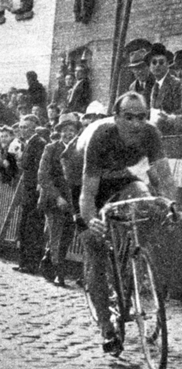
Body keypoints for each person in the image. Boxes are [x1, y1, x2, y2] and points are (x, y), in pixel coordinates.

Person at [79, 91, 176, 353]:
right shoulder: (101, 136)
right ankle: (106, 329)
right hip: (88, 182)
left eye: (141, 117)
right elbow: (87, 193)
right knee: (95, 244)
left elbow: (164, 178)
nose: (135, 123)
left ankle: (136, 264)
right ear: (116, 116)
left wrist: (172, 205)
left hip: (125, 180)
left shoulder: (150, 134)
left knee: (148, 200)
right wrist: (90, 219)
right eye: (128, 117)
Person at [37, 113, 79, 286]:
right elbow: (43, 176)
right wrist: (57, 197)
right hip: (54, 200)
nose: (68, 134)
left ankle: (49, 259)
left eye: (71, 130)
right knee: (56, 236)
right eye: (64, 130)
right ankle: (58, 273)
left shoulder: (80, 150)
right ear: (59, 132)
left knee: (67, 237)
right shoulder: (51, 148)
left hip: (73, 200)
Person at [14, 114, 46, 274]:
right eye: (21, 127)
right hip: (28, 190)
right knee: (25, 228)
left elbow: (39, 167)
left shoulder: (38, 143)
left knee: (32, 228)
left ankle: (31, 264)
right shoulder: (28, 143)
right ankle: (24, 262)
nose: (22, 130)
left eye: (25, 127)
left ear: (34, 127)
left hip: (34, 191)